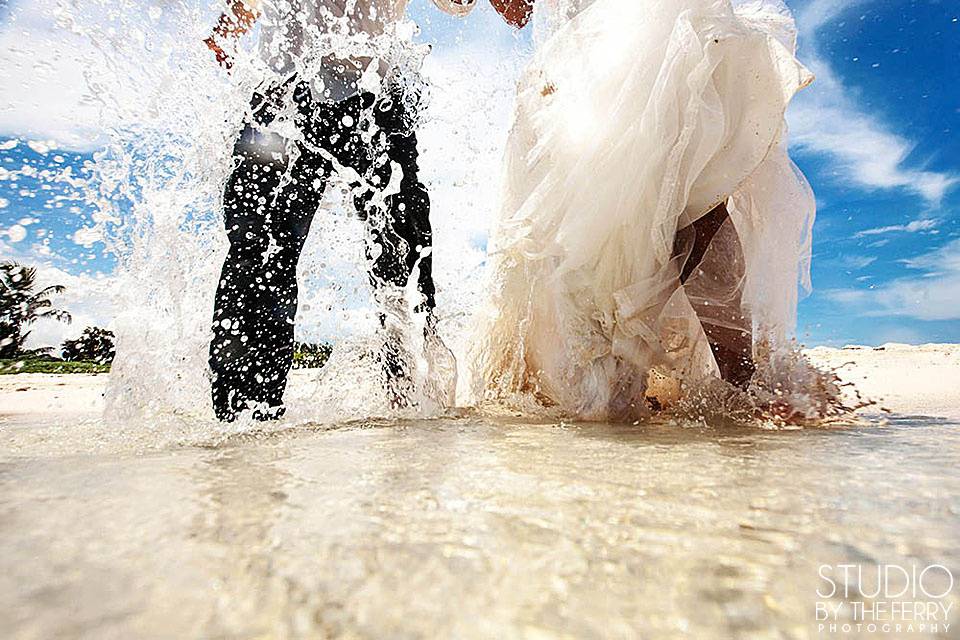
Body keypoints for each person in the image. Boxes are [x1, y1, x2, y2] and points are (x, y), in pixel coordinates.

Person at [479, 0, 816, 419]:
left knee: (683, 201)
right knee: (646, 212)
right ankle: (726, 383)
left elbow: (515, 10)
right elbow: (517, 10)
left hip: (638, 34)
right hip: (592, 57)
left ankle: (727, 382)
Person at [205, 0, 476, 421]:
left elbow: (465, 6)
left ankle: (412, 407)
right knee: (259, 250)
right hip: (285, 92)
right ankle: (243, 419)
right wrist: (229, 25)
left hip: (376, 97)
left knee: (401, 258)